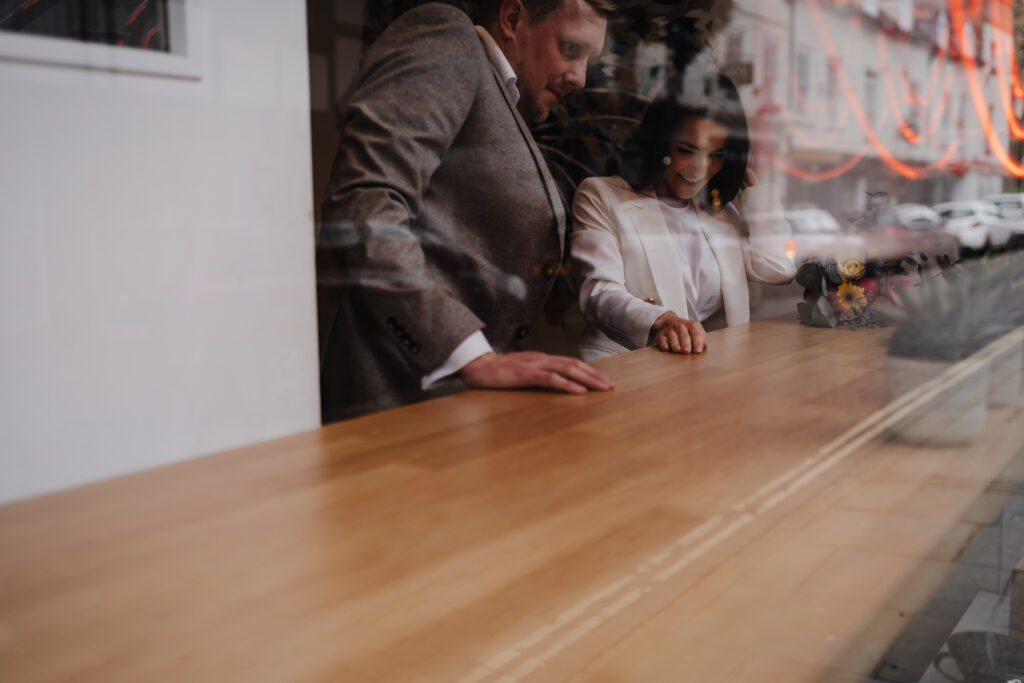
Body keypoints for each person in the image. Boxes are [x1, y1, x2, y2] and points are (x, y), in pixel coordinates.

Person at [317, 0, 616, 422]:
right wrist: (471, 355)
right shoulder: (447, 36)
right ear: (513, 19)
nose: (581, 77)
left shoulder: (498, 90)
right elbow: (364, 201)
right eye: (571, 48)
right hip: (394, 401)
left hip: (454, 411)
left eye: (590, 58)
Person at [569, 69, 796, 360]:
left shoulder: (722, 216)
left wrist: (758, 194)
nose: (700, 169)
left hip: (708, 376)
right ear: (659, 141)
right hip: (625, 370)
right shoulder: (602, 195)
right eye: (687, 150)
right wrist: (661, 321)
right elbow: (598, 292)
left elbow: (778, 269)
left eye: (716, 155)